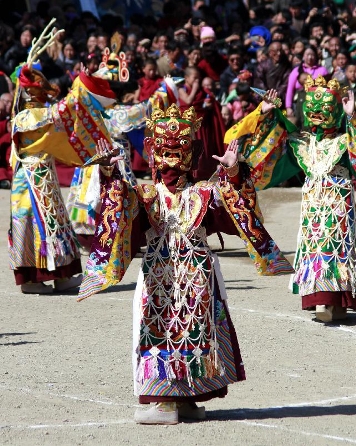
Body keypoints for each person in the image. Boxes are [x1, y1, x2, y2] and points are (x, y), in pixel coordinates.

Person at [78, 88, 293, 425]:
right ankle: (176, 397)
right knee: (168, 326)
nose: (172, 154)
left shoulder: (203, 192)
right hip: (169, 274)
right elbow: (120, 220)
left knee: (183, 329)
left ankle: (177, 399)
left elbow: (235, 215)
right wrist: (111, 176)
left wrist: (235, 174)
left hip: (191, 273)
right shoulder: (148, 193)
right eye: (166, 147)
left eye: (178, 147)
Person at [228, 76, 356, 322]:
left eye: (325, 107)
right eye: (312, 107)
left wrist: (351, 118)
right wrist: (266, 113)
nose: (317, 112)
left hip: (339, 201)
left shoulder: (343, 139)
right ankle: (323, 300)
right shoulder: (301, 142)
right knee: (316, 245)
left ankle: (337, 300)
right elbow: (271, 142)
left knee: (336, 245)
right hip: (313, 205)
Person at [9, 23, 118, 294]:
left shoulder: (31, 115)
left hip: (40, 175)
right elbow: (60, 113)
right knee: (35, 221)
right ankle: (33, 279)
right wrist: (79, 89)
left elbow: (58, 115)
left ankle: (59, 275)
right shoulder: (26, 117)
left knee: (50, 220)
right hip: (31, 178)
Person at [178, 66, 226, 180]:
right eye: (194, 78)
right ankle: (191, 175)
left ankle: (205, 175)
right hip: (187, 127)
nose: (197, 81)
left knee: (205, 151)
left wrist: (208, 106)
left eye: (198, 79)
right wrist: (194, 88)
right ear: (186, 78)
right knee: (190, 151)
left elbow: (212, 104)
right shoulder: (181, 89)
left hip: (202, 126)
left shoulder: (203, 91)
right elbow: (188, 101)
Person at [285, 45, 328, 119]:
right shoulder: (296, 71)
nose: (310, 57)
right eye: (307, 54)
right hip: (299, 104)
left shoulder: (322, 70)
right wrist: (288, 107)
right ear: (303, 56)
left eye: (312, 55)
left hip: (318, 105)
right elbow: (290, 90)